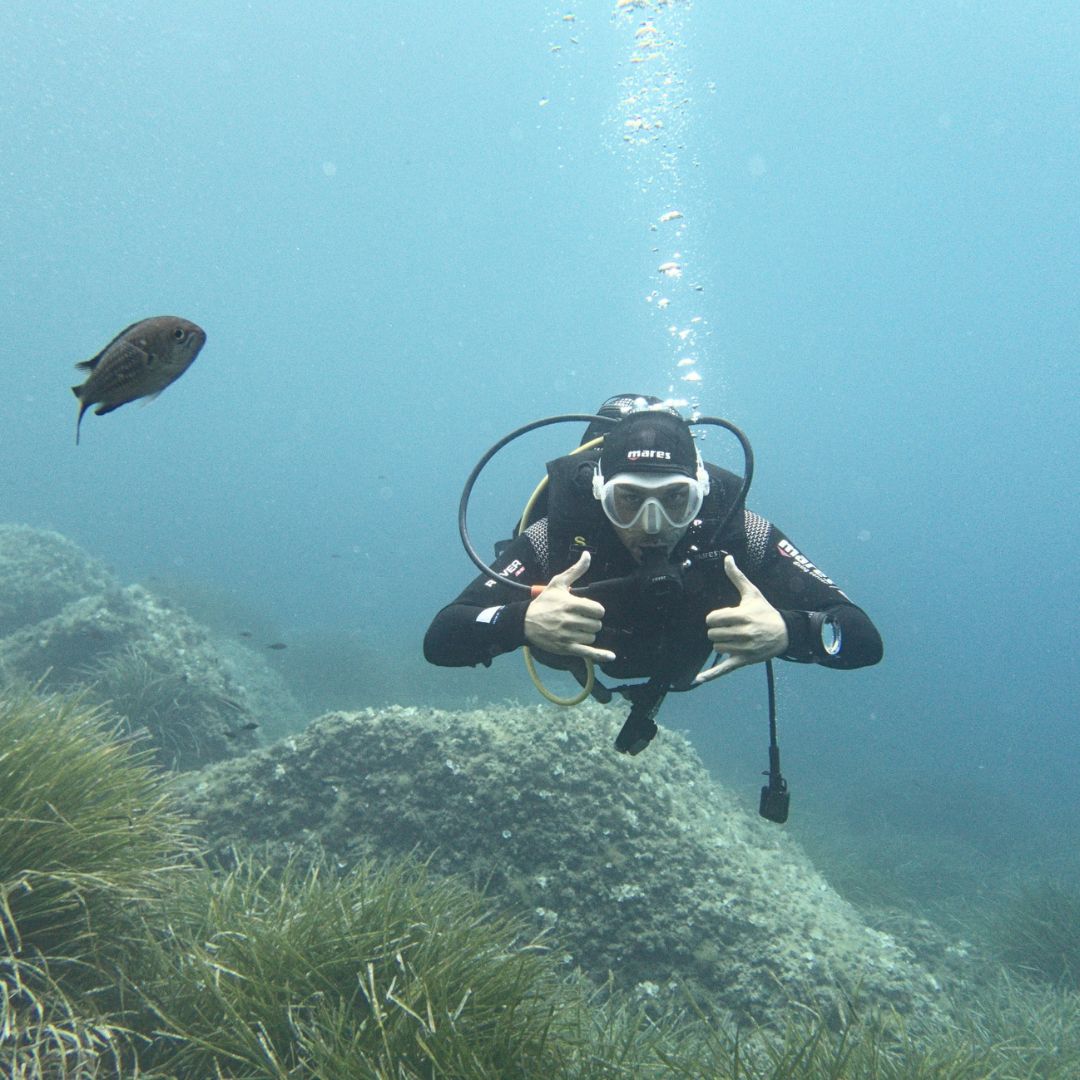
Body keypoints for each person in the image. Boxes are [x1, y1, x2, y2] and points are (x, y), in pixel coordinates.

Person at [424, 396, 882, 755]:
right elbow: (442, 637)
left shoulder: (741, 535)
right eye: (628, 500)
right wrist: (520, 621)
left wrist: (791, 631)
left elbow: (862, 638)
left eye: (674, 500)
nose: (652, 523)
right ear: (600, 495)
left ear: (701, 495)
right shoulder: (557, 538)